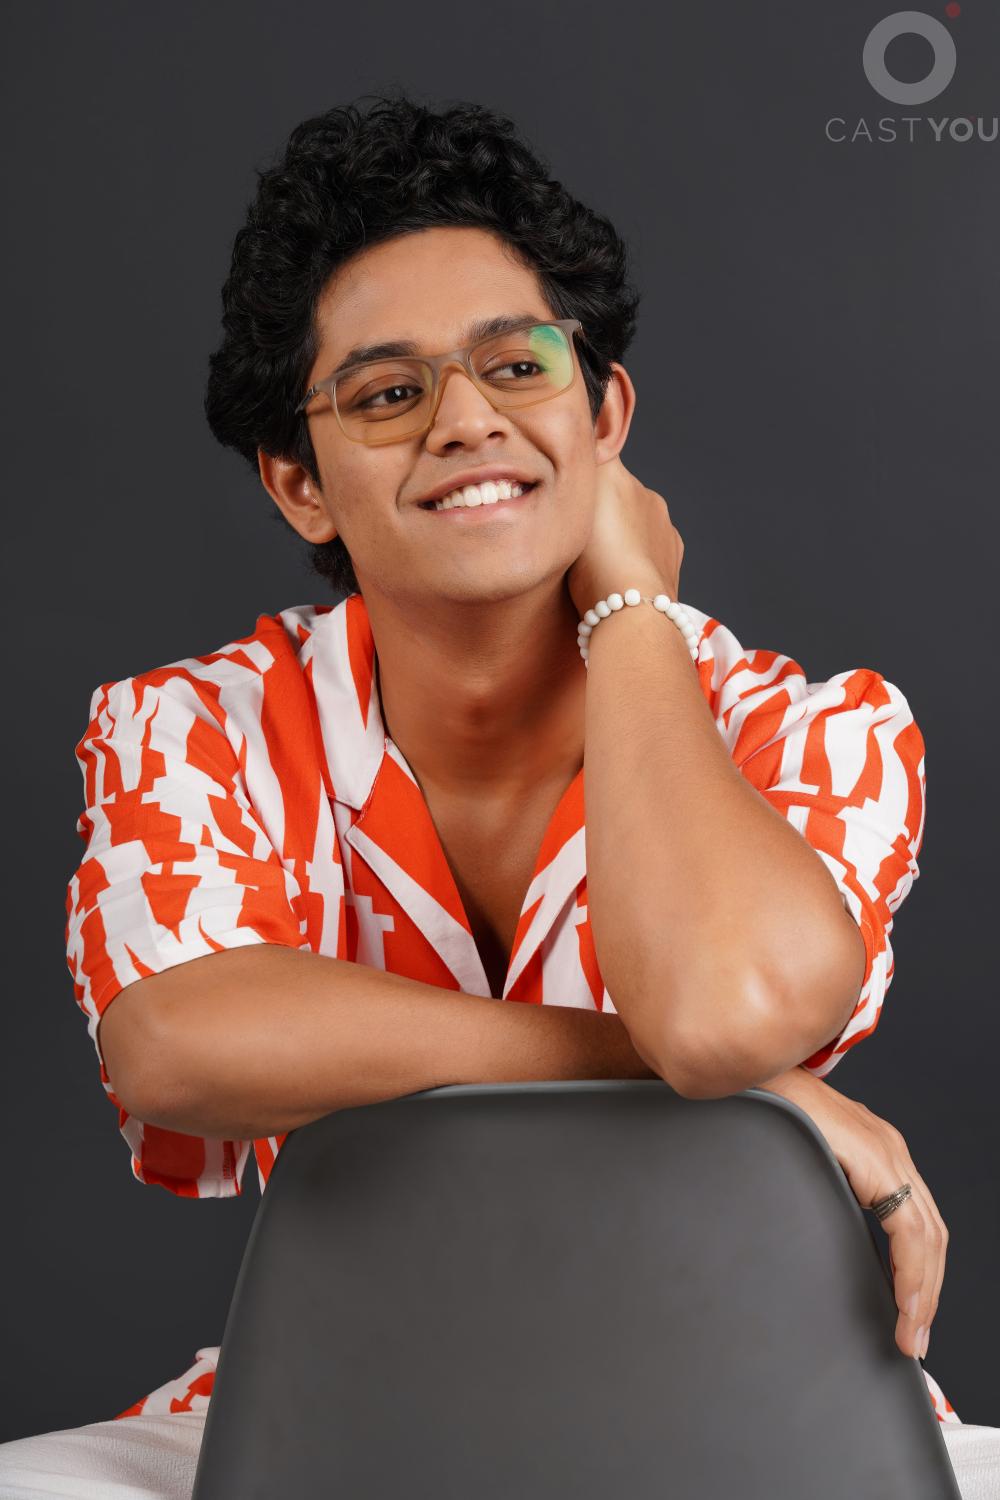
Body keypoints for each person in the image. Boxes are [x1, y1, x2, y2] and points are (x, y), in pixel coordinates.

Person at [3, 92, 998, 1499]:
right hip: (333, 1408)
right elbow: (172, 1039)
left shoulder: (813, 731)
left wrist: (634, 611)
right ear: (299, 483)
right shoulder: (194, 725)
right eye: (387, 393)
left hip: (770, 1402)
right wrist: (747, 1096)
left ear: (605, 414)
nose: (466, 421)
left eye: (518, 367)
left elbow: (722, 1011)